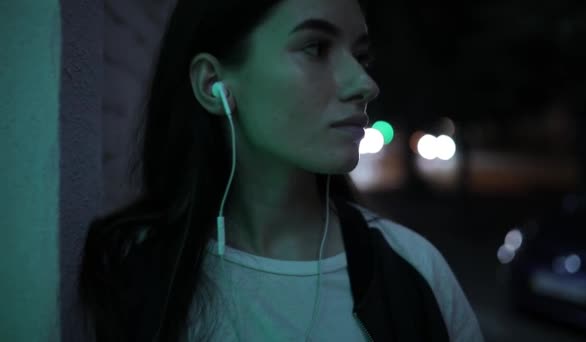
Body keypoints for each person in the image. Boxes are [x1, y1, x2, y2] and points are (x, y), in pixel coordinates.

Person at [78, 0, 484, 341]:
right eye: (316, 48)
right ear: (213, 83)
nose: (365, 83)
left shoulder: (412, 271)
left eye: (360, 56)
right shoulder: (130, 266)